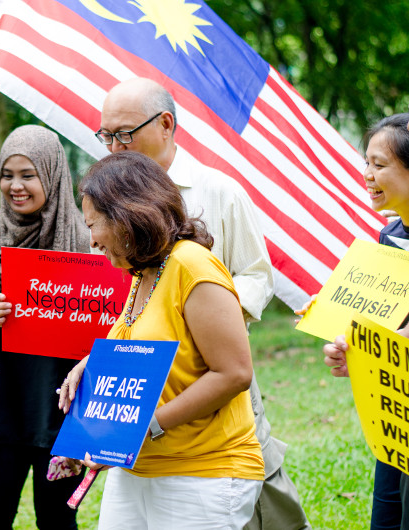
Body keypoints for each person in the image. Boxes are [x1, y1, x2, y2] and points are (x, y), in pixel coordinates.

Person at [98, 77, 310, 530]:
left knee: (262, 489)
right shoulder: (111, 198)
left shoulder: (217, 192)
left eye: (124, 133)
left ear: (166, 125)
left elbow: (256, 273)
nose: (114, 146)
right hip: (144, 396)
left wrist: (209, 320)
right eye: (106, 135)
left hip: (209, 370)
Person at [60, 150, 264, 529]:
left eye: (94, 226)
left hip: (203, 472)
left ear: (126, 218)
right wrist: (87, 367)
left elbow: (234, 373)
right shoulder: (142, 274)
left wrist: (147, 427)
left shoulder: (192, 265)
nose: (90, 241)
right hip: (137, 469)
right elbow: (145, 346)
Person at [0, 125, 90, 529]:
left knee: (56, 522)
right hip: (1, 407)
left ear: (51, 174)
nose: (15, 185)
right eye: (8, 174)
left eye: (28, 175)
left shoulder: (84, 242)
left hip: (59, 415)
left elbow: (102, 330)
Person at [320, 113, 409, 530]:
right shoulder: (388, 238)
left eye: (379, 164)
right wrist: (353, 351)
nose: (367, 175)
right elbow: (381, 325)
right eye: (367, 163)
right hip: (395, 417)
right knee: (388, 516)